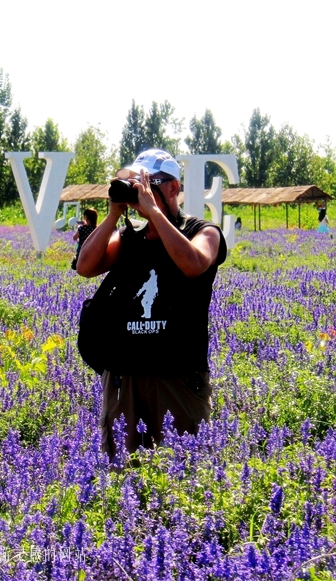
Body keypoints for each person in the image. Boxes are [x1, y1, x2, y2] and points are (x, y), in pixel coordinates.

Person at [76, 149, 227, 459]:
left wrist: (156, 214)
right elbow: (85, 266)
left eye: (149, 182)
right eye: (135, 182)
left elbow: (194, 263)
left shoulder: (203, 232)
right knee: (121, 480)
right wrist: (114, 214)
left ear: (173, 188)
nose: (140, 189)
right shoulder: (129, 239)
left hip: (178, 377)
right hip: (125, 378)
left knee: (183, 478)